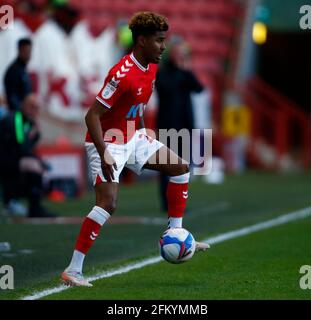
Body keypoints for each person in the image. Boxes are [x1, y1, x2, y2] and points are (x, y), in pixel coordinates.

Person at [61, 12, 210, 287]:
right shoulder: (121, 75)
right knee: (107, 204)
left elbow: (137, 106)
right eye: (159, 41)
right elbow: (91, 116)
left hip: (133, 136)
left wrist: (142, 131)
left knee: (180, 168)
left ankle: (175, 232)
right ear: (141, 41)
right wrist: (104, 151)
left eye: (164, 41)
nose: (163, 46)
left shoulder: (151, 66)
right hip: (107, 142)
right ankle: (73, 269)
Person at [156, 37, 204, 212]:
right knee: (166, 167)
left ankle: (178, 203)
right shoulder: (163, 73)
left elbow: (199, 88)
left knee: (183, 167)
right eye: (177, 53)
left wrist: (186, 71)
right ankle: (166, 202)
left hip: (184, 126)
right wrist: (180, 71)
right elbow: (167, 88)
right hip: (167, 126)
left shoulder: (184, 73)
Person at [0, 94, 54, 217]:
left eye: (37, 108)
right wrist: (33, 134)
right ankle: (34, 208)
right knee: (33, 166)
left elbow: (26, 147)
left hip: (12, 157)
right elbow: (21, 146)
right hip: (5, 158)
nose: (36, 111)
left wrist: (35, 135)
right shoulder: (17, 118)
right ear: (26, 107)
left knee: (36, 164)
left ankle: (34, 205)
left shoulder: (25, 120)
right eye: (33, 107)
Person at [4, 38, 33, 112]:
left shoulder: (23, 69)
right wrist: (22, 110)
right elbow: (11, 97)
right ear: (20, 50)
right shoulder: (14, 71)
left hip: (24, 113)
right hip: (17, 113)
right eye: (26, 52)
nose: (28, 55)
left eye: (29, 52)